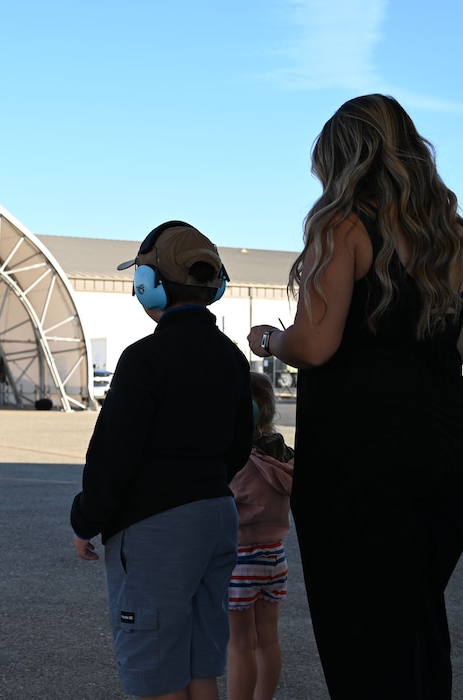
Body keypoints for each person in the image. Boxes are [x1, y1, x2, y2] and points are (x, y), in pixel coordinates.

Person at [248, 94, 463, 698]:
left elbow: (315, 345)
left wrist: (269, 338)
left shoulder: (342, 225)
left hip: (361, 462)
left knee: (365, 636)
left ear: (342, 160)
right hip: (445, 452)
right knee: (419, 624)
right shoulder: (451, 236)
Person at [71, 221, 253, 700]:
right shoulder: (232, 358)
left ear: (148, 286)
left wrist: (85, 518)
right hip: (216, 515)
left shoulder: (144, 359)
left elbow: (113, 453)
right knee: (198, 663)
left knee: (156, 671)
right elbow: (239, 445)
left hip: (158, 529)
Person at [227, 372, 294, 700]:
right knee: (269, 639)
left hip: (240, 560)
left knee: (240, 644)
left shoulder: (237, 462)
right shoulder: (282, 457)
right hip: (274, 557)